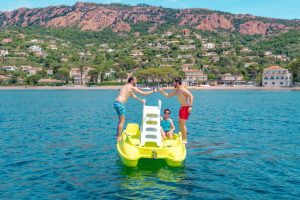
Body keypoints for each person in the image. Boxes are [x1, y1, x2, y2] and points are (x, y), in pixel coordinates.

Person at [114, 77, 156, 141]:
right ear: (131, 80)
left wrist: (141, 100)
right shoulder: (131, 87)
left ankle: (118, 135)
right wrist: (153, 91)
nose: (136, 81)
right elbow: (143, 93)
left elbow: (133, 96)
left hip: (116, 103)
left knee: (120, 121)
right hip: (120, 104)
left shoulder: (125, 86)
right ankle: (118, 137)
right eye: (135, 80)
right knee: (122, 121)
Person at [158, 79, 194, 144]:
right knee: (180, 123)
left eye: (174, 82)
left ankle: (185, 139)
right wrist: (161, 92)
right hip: (182, 108)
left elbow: (191, 96)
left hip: (186, 108)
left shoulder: (182, 90)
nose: (173, 83)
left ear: (177, 83)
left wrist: (190, 107)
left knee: (183, 124)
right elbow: (168, 95)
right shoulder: (176, 91)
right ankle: (182, 137)